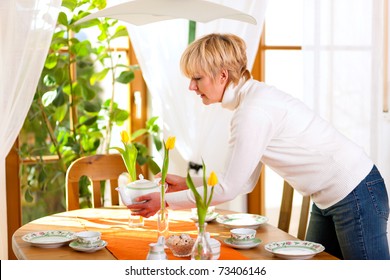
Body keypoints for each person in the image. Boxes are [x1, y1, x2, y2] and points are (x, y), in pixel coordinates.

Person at [128, 33, 390, 260]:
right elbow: (243, 181)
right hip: (332, 198)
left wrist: (163, 201)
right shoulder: (251, 102)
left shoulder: (252, 111)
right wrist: (187, 183)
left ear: (222, 75)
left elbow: (231, 187)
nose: (191, 86)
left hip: (355, 193)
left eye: (197, 78)